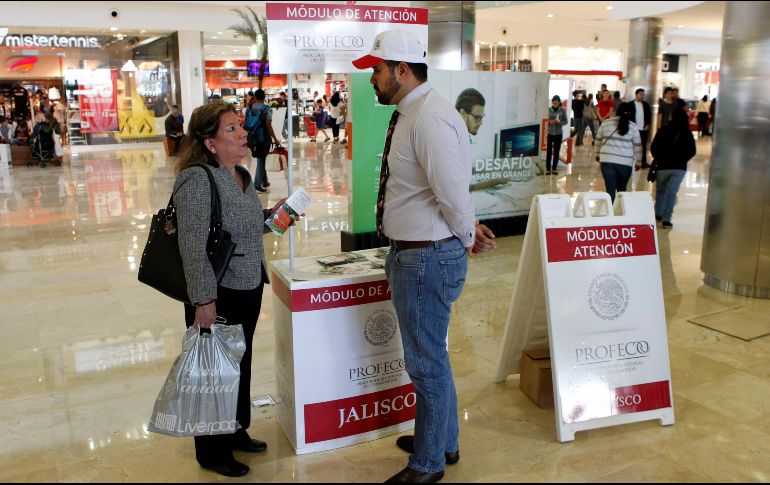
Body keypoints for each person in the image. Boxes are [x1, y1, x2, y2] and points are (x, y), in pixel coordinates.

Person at [352, 28, 496, 484]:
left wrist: (465, 235)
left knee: (425, 362)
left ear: (401, 69)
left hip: (425, 258)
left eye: (376, 70)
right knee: (433, 355)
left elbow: (452, 193)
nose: (371, 79)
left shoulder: (429, 117)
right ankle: (442, 439)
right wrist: (466, 230)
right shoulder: (413, 113)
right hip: (419, 253)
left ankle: (429, 463)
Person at [172, 101, 298, 478]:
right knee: (214, 373)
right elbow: (192, 247)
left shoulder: (239, 173)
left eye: (240, 126)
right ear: (210, 142)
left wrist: (278, 217)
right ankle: (212, 451)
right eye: (231, 129)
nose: (243, 133)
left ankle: (235, 428)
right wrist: (203, 301)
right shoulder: (197, 179)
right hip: (216, 291)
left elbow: (245, 227)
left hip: (247, 284)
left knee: (238, 364)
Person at [650, 107, 696, 228]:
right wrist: (683, 159)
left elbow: (653, 147)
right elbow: (692, 151)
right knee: (671, 193)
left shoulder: (663, 129)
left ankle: (658, 214)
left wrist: (659, 158)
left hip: (662, 166)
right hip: (679, 168)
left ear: (672, 116)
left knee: (660, 190)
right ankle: (666, 219)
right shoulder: (687, 132)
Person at [596, 102, 642, 203]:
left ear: (616, 111)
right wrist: (639, 161)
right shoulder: (633, 127)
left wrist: (597, 154)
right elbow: (638, 145)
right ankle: (621, 212)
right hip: (625, 162)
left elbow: (598, 140)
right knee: (622, 189)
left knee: (610, 189)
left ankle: (610, 213)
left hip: (607, 160)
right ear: (630, 113)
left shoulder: (606, 123)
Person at [244, 89, 280, 192]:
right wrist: (275, 138)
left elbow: (245, 122)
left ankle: (264, 181)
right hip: (263, 138)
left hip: (251, 137)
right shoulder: (267, 109)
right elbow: (268, 125)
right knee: (261, 159)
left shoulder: (249, 108)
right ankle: (257, 184)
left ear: (254, 97)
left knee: (261, 158)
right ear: (264, 97)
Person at [627, 88, 652, 167]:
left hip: (643, 129)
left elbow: (649, 115)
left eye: (643, 94)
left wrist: (648, 124)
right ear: (636, 94)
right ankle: (630, 162)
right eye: (641, 94)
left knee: (643, 146)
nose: (642, 96)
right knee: (631, 146)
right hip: (633, 129)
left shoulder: (645, 105)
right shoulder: (630, 104)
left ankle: (643, 162)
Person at [546, 95, 568, 175]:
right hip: (549, 133)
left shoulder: (562, 110)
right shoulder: (548, 110)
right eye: (554, 103)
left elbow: (566, 121)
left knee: (556, 151)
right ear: (552, 102)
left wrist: (559, 123)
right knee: (548, 151)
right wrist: (550, 122)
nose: (555, 104)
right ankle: (548, 169)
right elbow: (545, 121)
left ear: (559, 102)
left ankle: (554, 168)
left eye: (557, 103)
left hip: (558, 133)